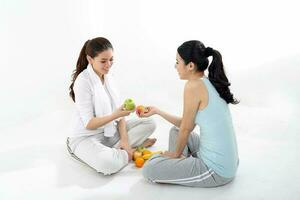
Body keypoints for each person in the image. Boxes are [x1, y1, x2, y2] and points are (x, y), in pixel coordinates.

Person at [140, 40, 239, 187]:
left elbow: (187, 129)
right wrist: (157, 111)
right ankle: (181, 162)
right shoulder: (207, 81)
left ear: (190, 66)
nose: (175, 66)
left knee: (149, 169)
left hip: (216, 171)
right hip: (228, 162)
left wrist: (174, 154)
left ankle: (180, 161)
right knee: (176, 131)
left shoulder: (193, 86)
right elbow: (185, 124)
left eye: (178, 62)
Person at [67, 37, 156, 175]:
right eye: (103, 61)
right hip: (86, 137)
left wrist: (125, 141)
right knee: (107, 164)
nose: (108, 65)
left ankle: (121, 148)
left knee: (150, 123)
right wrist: (116, 115)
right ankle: (132, 151)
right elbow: (89, 124)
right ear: (90, 59)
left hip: (110, 132)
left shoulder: (109, 77)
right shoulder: (83, 82)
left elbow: (120, 115)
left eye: (111, 60)